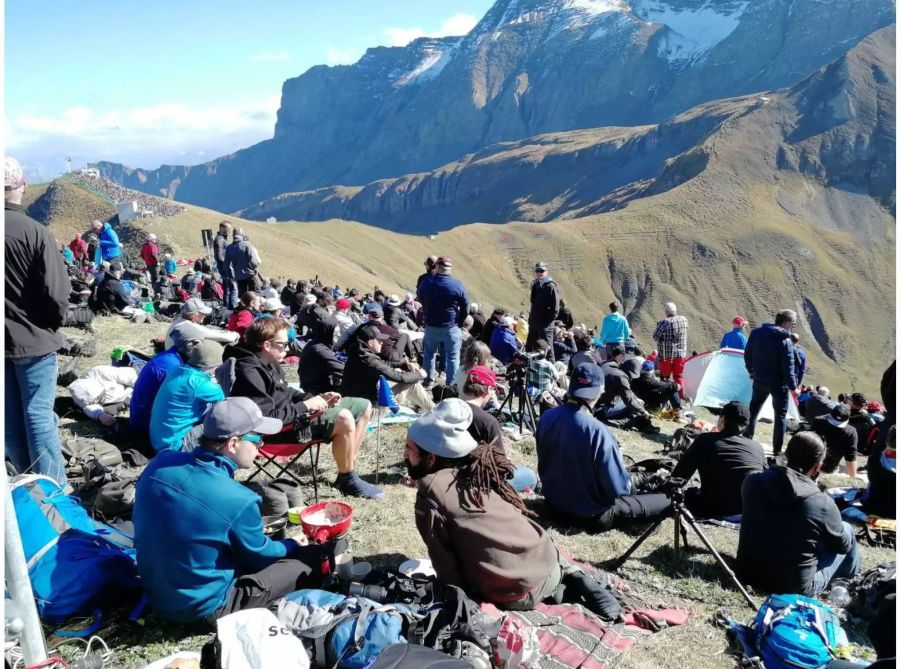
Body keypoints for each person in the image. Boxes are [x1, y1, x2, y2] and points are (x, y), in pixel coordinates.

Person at [134, 396, 335, 624]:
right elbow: (260, 558)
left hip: (156, 593)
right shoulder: (239, 499)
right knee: (318, 556)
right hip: (204, 608)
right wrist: (290, 544)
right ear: (233, 444)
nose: (261, 445)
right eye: (257, 438)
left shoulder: (161, 463)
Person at [405, 399, 559, 608]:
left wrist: (454, 604)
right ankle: (568, 576)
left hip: (518, 590)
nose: (404, 455)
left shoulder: (431, 491)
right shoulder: (477, 467)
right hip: (546, 557)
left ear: (431, 458)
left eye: (409, 449)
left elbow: (447, 570)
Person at [231, 318, 380, 499]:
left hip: (293, 415)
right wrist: (306, 406)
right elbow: (266, 418)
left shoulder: (270, 363)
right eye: (284, 344)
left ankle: (347, 471)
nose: (288, 348)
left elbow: (286, 392)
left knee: (364, 406)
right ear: (267, 345)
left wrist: (316, 399)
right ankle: (348, 479)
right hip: (277, 430)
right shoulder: (249, 371)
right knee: (344, 417)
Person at [536, 362, 670, 532]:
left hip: (553, 505)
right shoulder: (597, 430)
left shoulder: (547, 417)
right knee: (665, 501)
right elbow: (619, 488)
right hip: (588, 515)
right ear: (600, 391)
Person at [5, 156, 71, 484]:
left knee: (10, 419)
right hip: (33, 339)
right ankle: (53, 493)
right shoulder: (36, 232)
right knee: (38, 416)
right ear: (21, 187)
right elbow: (58, 295)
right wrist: (50, 324)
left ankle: (24, 485)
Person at [737, 431, 861, 596]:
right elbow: (843, 546)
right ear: (817, 466)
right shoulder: (821, 502)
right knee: (847, 530)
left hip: (747, 573)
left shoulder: (752, 480)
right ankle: (853, 580)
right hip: (793, 587)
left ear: (786, 454)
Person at [671, 402, 766, 518]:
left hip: (715, 508)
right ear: (745, 425)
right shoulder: (757, 447)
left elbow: (679, 476)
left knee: (689, 495)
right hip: (749, 509)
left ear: (723, 419)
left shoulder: (705, 440)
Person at [461, 367, 538, 493]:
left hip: (448, 474)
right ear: (489, 390)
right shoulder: (488, 422)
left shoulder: (448, 407)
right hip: (478, 480)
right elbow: (499, 466)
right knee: (529, 475)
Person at [150, 340, 226, 453]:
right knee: (223, 421)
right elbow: (226, 402)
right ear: (214, 366)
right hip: (174, 446)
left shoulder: (178, 369)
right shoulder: (200, 384)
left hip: (158, 440)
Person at [130, 323, 206, 433]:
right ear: (190, 345)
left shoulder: (170, 356)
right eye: (200, 343)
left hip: (143, 417)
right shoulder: (171, 367)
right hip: (148, 426)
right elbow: (182, 401)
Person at [341, 324, 435, 413]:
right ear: (370, 342)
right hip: (367, 411)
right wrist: (421, 374)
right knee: (412, 384)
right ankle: (436, 412)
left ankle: (430, 408)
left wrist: (404, 363)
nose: (382, 342)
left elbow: (384, 364)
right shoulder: (369, 360)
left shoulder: (358, 351)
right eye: (379, 340)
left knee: (403, 378)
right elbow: (399, 377)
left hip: (353, 406)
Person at [743, 309, 797, 456]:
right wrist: (793, 387)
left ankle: (747, 440)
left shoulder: (757, 333)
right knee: (780, 417)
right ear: (786, 323)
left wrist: (751, 370)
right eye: (792, 323)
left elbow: (747, 353)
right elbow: (788, 367)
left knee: (753, 411)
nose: (792, 326)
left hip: (760, 378)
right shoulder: (785, 341)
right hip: (778, 384)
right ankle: (777, 452)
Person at [417, 256, 468, 387]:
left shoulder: (426, 282)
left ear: (438, 267)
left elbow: (420, 298)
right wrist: (459, 322)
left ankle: (428, 381)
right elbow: (465, 306)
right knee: (453, 356)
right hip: (451, 327)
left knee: (429, 354)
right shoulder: (457, 285)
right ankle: (452, 385)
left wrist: (429, 310)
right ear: (450, 269)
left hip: (431, 325)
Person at [596, 345, 658, 433]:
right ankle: (628, 423)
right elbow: (629, 400)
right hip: (603, 410)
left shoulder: (608, 365)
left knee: (635, 403)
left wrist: (636, 399)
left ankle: (645, 426)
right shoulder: (621, 377)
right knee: (636, 407)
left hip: (595, 405)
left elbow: (625, 392)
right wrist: (643, 411)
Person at [165, 297, 239, 349]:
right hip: (183, 363)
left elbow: (206, 331)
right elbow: (227, 337)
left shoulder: (179, 321)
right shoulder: (191, 327)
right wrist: (235, 334)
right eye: (203, 313)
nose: (205, 315)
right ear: (194, 315)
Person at [299, 318, 345, 395]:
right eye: (336, 332)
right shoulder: (320, 350)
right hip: (316, 390)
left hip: (314, 383)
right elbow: (342, 370)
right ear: (327, 332)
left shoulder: (316, 342)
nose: (339, 335)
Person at [811, 404, 858, 478]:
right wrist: (853, 477)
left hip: (810, 463)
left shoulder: (817, 421)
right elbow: (850, 458)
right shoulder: (851, 432)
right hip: (828, 469)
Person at [652, 302, 688, 396]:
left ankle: (665, 397)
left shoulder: (665, 322)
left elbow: (655, 337)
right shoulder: (684, 319)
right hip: (681, 354)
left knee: (665, 377)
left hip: (666, 355)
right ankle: (680, 396)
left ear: (667, 312)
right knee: (678, 376)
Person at [526, 262, 559, 361]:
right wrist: (531, 320)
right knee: (530, 346)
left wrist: (546, 324)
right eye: (537, 271)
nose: (539, 273)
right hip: (534, 323)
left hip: (545, 325)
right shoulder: (536, 284)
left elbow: (555, 309)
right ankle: (528, 368)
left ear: (546, 271)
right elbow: (533, 303)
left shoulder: (551, 286)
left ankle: (551, 372)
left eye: (542, 271)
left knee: (548, 348)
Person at [225, 230, 260, 296]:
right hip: (250, 274)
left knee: (242, 295)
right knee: (253, 295)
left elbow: (226, 265)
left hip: (238, 276)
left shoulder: (229, 248)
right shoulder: (247, 245)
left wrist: (231, 275)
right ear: (242, 235)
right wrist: (255, 270)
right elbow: (253, 260)